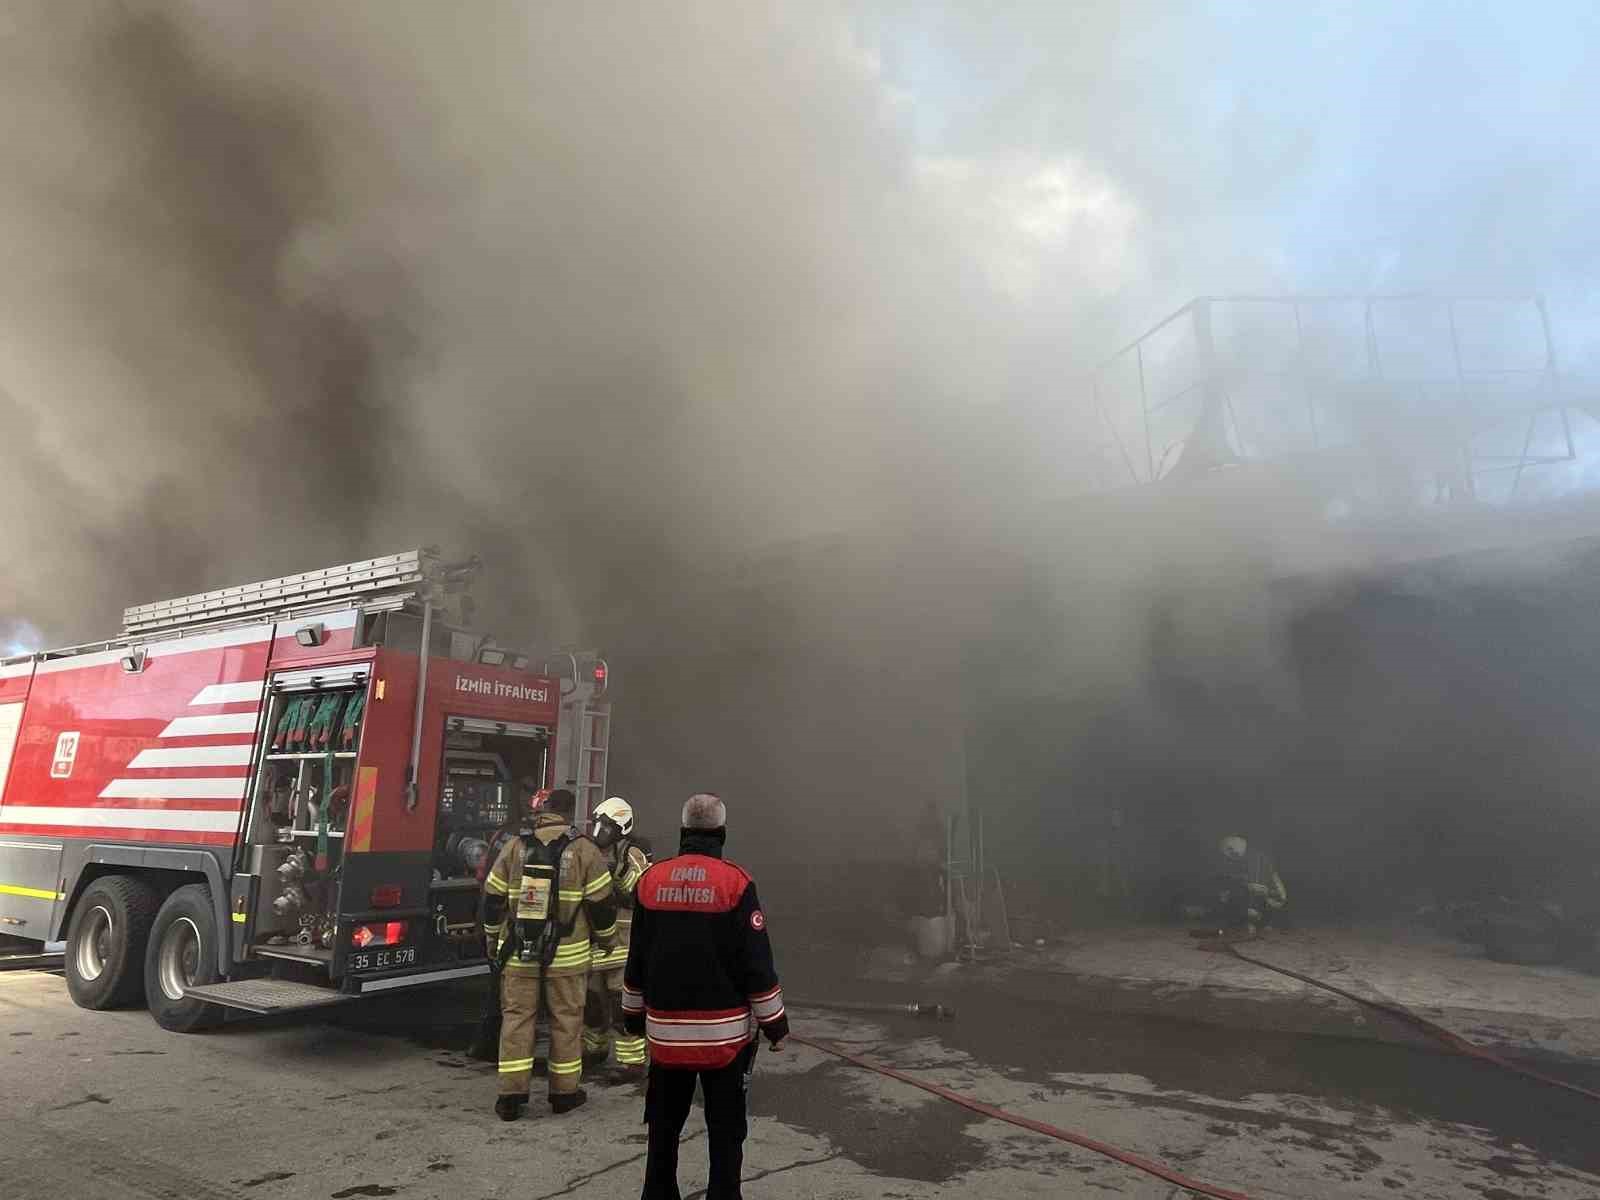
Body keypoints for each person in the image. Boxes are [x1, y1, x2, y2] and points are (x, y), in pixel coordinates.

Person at [624, 793, 788, 1200]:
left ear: (683, 833)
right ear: (721, 834)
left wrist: (631, 1015)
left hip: (665, 1038)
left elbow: (637, 957)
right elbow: (756, 965)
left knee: (664, 1126)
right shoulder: (736, 883)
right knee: (726, 1129)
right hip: (724, 1042)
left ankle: (658, 1193)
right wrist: (775, 1025)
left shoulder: (651, 880)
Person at [481, 787, 618, 1120]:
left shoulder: (515, 846)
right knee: (566, 1022)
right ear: (569, 814)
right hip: (567, 958)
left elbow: (492, 898)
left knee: (517, 1020)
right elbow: (602, 906)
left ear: (544, 810)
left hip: (518, 954)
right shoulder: (585, 850)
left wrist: (491, 939)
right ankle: (564, 1094)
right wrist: (607, 941)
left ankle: (510, 1098)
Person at [466, 785, 547, 1062]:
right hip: (522, 928)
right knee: (519, 999)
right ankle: (502, 1050)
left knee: (496, 988)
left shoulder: (505, 835)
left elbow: (484, 878)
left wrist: (487, 930)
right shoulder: (541, 843)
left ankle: (484, 1046)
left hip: (496, 922)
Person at [583, 795, 652, 1071]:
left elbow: (637, 891)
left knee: (623, 1005)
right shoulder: (591, 850)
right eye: (597, 826)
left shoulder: (632, 853)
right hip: (595, 940)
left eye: (607, 827)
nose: (600, 833)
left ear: (621, 828)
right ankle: (593, 1049)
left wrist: (613, 876)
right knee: (592, 1002)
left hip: (623, 943)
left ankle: (631, 1062)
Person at [1217, 834, 1287, 933]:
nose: (1229, 857)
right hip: (1263, 899)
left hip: (1272, 900)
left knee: (1249, 891)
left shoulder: (1256, 859)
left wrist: (1250, 916)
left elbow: (1258, 888)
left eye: (1229, 851)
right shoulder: (1246, 859)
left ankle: (1260, 921)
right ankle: (1252, 919)